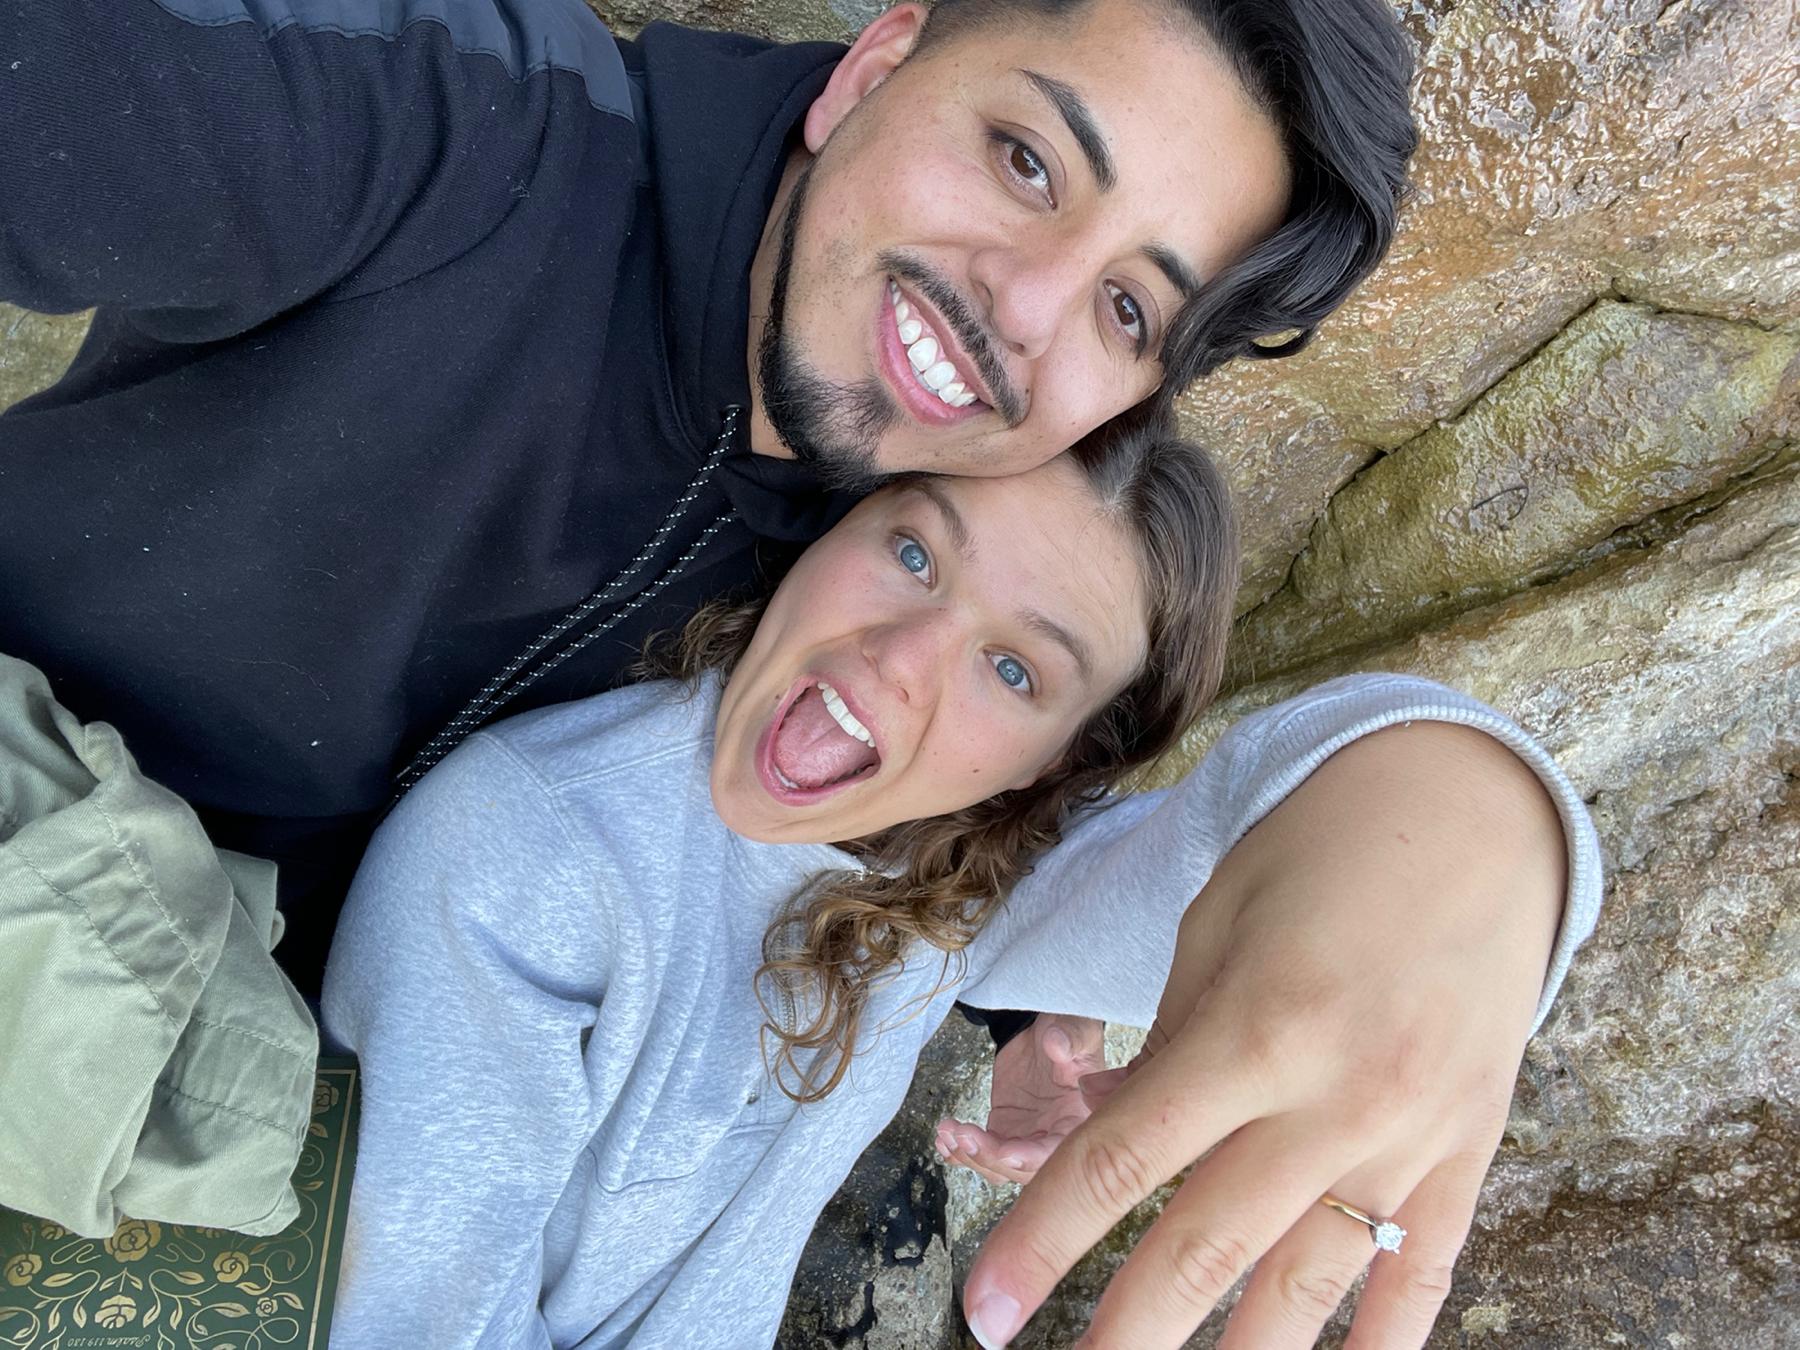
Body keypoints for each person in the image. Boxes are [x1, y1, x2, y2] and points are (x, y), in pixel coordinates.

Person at [0, 0, 1596, 1340]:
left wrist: (1479, 823)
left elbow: (1073, 791)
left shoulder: (913, 541)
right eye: (1024, 156)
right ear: (876, 57)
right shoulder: (458, 128)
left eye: (1125, 305)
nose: (1019, 311)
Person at [321, 435, 1594, 1348]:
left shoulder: (954, 881)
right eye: (917, 551)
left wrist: (1494, 831)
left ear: (1060, 765)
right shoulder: (522, 866)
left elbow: (1267, 840)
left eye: (1015, 672)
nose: (902, 656)